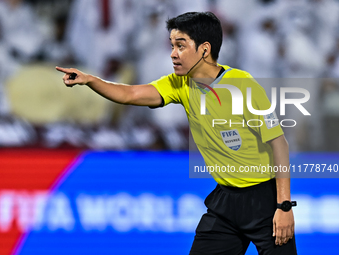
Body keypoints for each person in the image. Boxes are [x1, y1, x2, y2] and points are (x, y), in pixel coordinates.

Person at [56, 12, 297, 255]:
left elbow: (279, 143)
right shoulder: (181, 84)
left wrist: (284, 205)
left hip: (264, 201)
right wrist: (90, 80)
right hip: (225, 201)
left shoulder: (243, 85)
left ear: (204, 49)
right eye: (172, 45)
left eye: (180, 46)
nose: (173, 53)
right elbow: (130, 94)